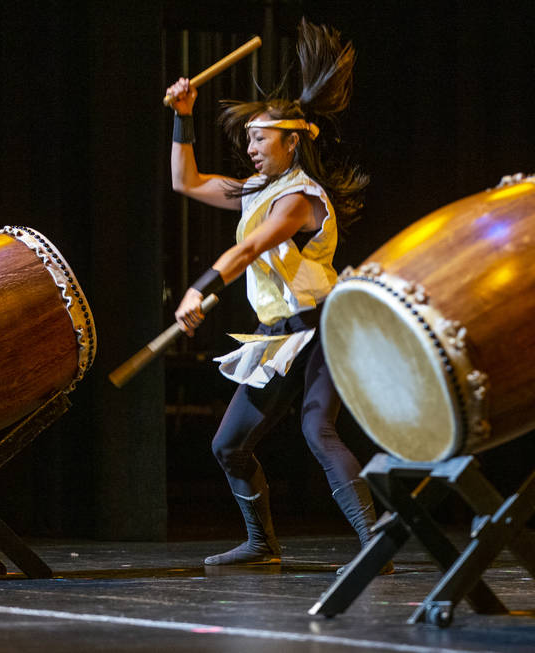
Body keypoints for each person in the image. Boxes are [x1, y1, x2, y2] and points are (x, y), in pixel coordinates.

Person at [165, 20, 391, 573]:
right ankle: (262, 544)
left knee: (318, 427)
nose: (251, 146)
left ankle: (375, 549)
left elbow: (249, 251)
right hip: (279, 337)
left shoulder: (300, 200)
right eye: (249, 139)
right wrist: (182, 115)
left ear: (293, 141)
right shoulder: (255, 193)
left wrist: (199, 289)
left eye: (261, 137)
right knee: (229, 446)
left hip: (324, 326)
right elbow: (186, 182)